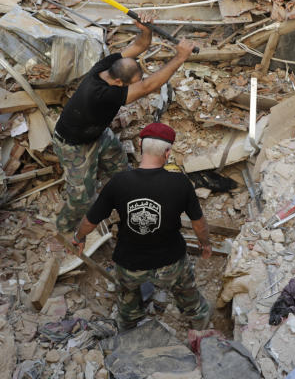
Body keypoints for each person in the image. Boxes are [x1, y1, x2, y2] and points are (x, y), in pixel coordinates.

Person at [53, 17, 197, 235]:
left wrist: (145, 30)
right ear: (119, 83)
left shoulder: (105, 66)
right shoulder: (101, 95)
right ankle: (63, 228)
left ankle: (126, 190)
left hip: (98, 133)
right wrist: (180, 57)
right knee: (81, 197)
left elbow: (139, 46)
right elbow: (149, 86)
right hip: (74, 145)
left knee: (118, 161)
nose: (136, 86)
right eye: (132, 84)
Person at [72, 122, 212, 331]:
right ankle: (199, 322)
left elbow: (90, 221)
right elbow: (198, 223)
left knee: (128, 302)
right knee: (188, 294)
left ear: (139, 146)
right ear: (167, 152)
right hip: (171, 262)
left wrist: (78, 237)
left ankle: (128, 326)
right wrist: (205, 244)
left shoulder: (119, 182)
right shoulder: (180, 183)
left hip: (130, 264)